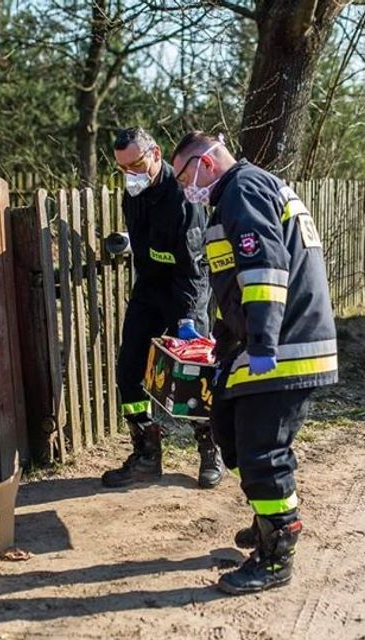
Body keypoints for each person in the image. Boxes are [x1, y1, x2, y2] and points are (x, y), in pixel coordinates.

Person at [171, 132, 338, 594]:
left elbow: (265, 269)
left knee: (262, 452)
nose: (187, 189)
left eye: (185, 177)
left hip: (282, 347)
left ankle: (276, 552)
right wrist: (223, 342)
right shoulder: (238, 192)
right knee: (228, 429)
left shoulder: (242, 189)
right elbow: (234, 286)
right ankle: (266, 516)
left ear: (204, 163)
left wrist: (262, 343)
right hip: (260, 342)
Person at [101, 127, 223, 489]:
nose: (131, 174)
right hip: (149, 291)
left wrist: (187, 319)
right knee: (128, 373)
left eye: (136, 164)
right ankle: (146, 454)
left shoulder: (184, 197)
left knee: (194, 377)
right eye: (123, 168)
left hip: (186, 292)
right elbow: (142, 251)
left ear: (155, 154)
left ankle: (209, 449)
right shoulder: (133, 195)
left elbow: (192, 266)